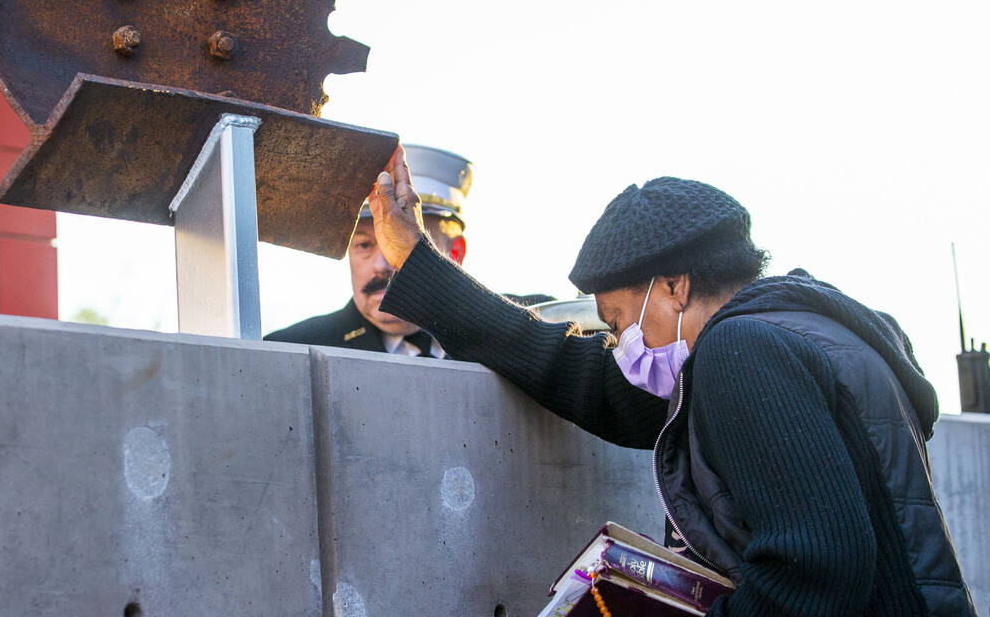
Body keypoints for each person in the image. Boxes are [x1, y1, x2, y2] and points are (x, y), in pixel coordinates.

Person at [366, 149, 976, 617]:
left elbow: (818, 565)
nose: (625, 344)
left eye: (622, 320)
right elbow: (582, 376)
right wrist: (421, 263)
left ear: (675, 286)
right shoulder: (804, 329)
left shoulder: (741, 354)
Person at [264, 144, 475, 358]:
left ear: (454, 254)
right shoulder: (290, 352)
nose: (381, 265)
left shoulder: (501, 345)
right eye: (364, 245)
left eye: (402, 244)